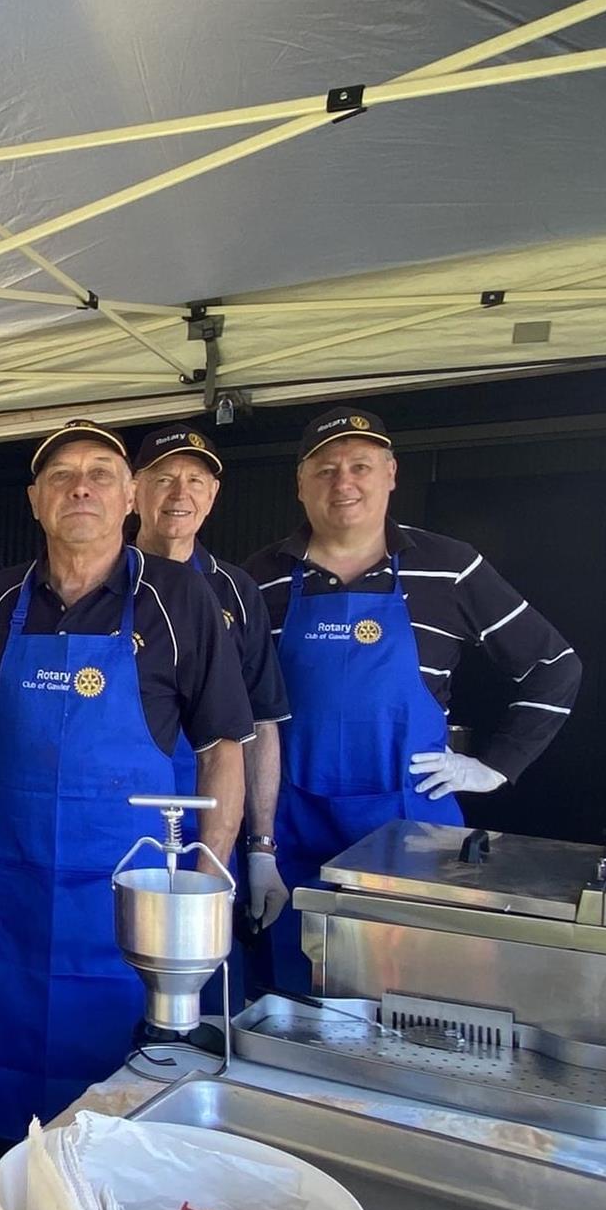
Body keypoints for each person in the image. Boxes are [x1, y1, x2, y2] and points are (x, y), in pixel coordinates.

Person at [0, 420, 252, 1151]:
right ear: (35, 499)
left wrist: (210, 877)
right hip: (9, 894)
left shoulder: (177, 599)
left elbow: (224, 747)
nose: (81, 487)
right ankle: (5, 1195)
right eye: (60, 475)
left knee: (125, 1098)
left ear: (130, 494)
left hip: (128, 900)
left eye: (100, 471)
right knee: (4, 1091)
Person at [244, 405, 581, 990]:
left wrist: (497, 768)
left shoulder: (451, 568)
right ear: (300, 484)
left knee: (412, 1002)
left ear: (391, 473)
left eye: (360, 466)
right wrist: (258, 846)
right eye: (324, 470)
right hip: (293, 832)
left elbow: (555, 666)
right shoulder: (259, 580)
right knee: (294, 1008)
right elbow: (240, 714)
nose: (342, 482)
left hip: (412, 833)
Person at [128, 421, 292, 1004]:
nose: (181, 493)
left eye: (196, 480)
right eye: (164, 478)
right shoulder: (100, 580)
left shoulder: (237, 591)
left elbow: (263, 722)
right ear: (133, 490)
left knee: (199, 990)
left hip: (208, 823)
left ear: (214, 496)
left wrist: (260, 848)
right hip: (119, 818)